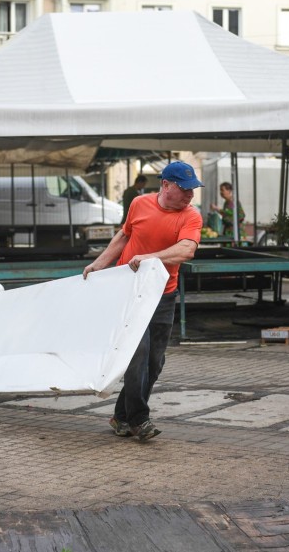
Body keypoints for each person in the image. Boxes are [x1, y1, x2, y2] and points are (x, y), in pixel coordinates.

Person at [83, 161, 203, 441]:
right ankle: (140, 420)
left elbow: (186, 250)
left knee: (154, 362)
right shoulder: (139, 204)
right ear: (165, 185)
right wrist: (100, 263)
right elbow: (125, 234)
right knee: (137, 358)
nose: (190, 195)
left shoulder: (191, 216)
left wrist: (150, 258)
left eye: (193, 190)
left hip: (163, 295)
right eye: (184, 189)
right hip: (130, 294)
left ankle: (121, 417)